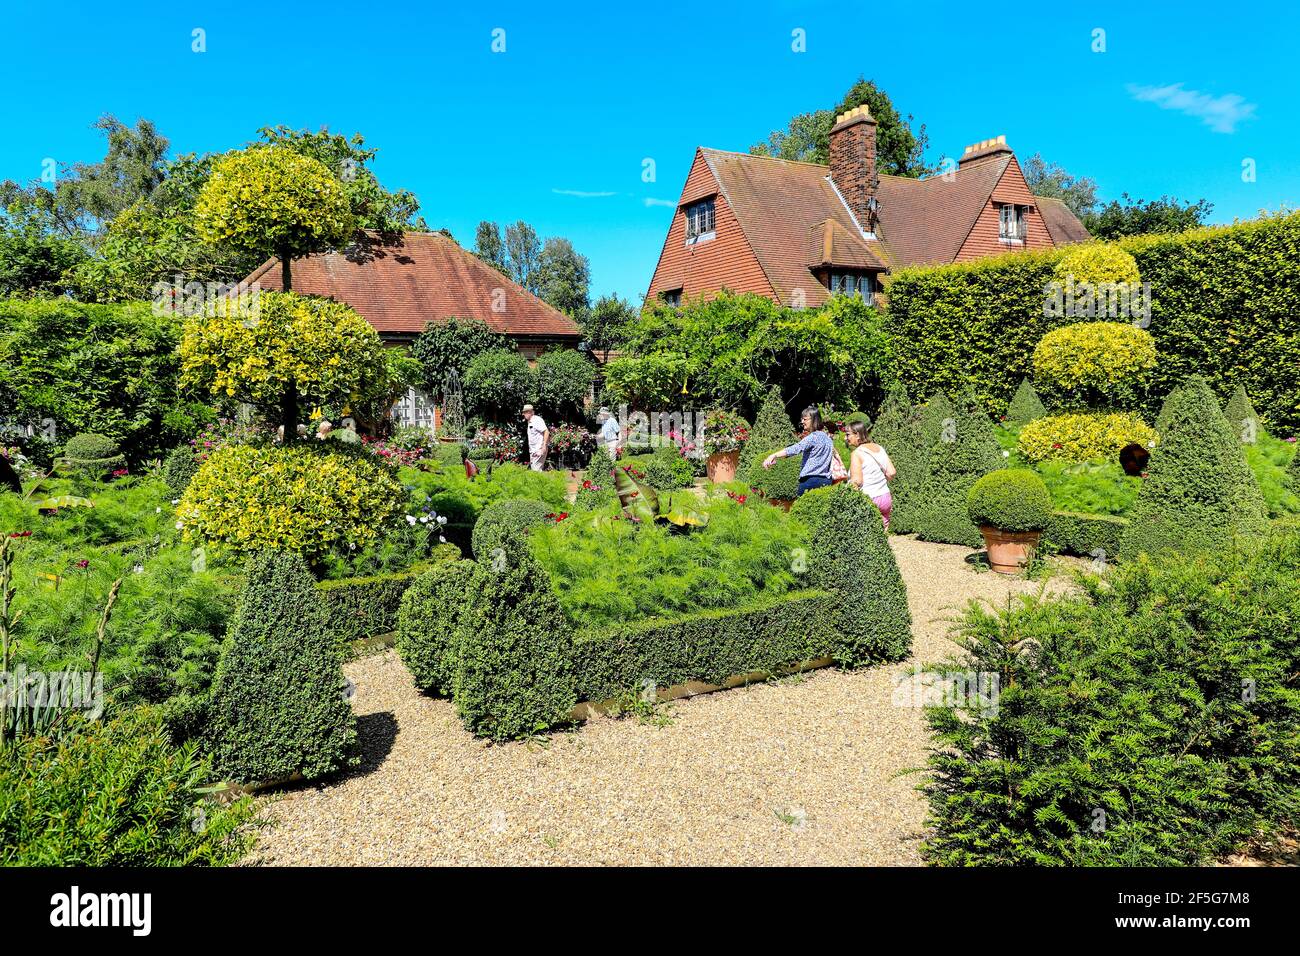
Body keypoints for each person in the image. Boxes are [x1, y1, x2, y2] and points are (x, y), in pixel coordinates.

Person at [762, 406, 835, 496]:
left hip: (810, 482)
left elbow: (795, 449)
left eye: (805, 419)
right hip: (826, 482)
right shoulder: (828, 439)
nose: (802, 422)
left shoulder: (813, 437)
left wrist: (773, 455)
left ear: (814, 420)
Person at [844, 420, 896, 528]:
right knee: (882, 535)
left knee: (865, 536)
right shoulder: (879, 448)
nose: (845, 438)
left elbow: (857, 481)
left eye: (848, 434)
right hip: (885, 497)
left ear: (857, 434)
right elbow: (891, 472)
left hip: (869, 499)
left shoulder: (857, 453)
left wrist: (845, 498)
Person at [522, 404, 549, 471]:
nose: (523, 414)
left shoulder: (536, 420)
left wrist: (544, 446)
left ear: (529, 412)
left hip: (539, 450)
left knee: (536, 471)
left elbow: (546, 432)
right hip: (534, 451)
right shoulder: (530, 422)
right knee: (536, 471)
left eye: (524, 412)